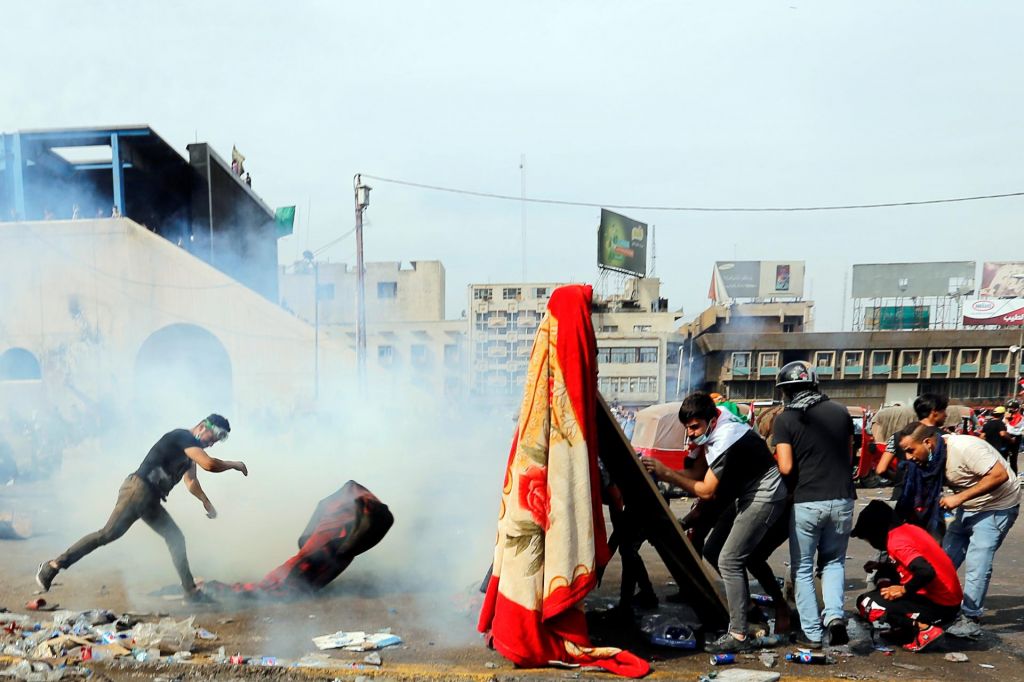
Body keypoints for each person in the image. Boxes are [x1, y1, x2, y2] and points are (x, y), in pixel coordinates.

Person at [35, 415, 247, 601]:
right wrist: (233, 464)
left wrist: (205, 501)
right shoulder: (183, 437)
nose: (212, 444)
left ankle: (191, 592)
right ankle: (52, 566)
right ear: (203, 426)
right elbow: (209, 464)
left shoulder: (191, 451)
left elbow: (191, 481)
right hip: (138, 490)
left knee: (175, 538)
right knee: (106, 534)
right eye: (214, 437)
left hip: (150, 499)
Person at [643, 392, 786, 653]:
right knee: (713, 550)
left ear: (711, 420)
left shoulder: (726, 436)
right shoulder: (714, 425)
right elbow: (697, 473)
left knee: (730, 559)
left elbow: (706, 490)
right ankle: (748, 609)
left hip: (765, 492)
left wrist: (666, 473)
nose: (691, 432)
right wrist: (662, 469)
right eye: (687, 427)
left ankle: (739, 634)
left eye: (695, 426)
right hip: (744, 493)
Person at [899, 423, 1021, 638]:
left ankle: (970, 617)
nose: (908, 457)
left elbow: (999, 475)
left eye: (911, 450)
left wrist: (959, 497)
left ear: (928, 442)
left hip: (996, 507)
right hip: (967, 507)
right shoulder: (932, 461)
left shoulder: (965, 448)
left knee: (978, 562)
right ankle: (936, 604)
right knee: (943, 559)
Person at [771, 361, 856, 648]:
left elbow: (785, 466)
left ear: (787, 391)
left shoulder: (785, 419)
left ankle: (812, 634)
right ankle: (834, 616)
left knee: (803, 568)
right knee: (833, 563)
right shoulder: (841, 412)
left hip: (807, 500)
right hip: (843, 498)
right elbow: (850, 454)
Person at [850, 501, 963, 652]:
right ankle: (906, 629)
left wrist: (903, 589)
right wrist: (882, 566)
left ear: (875, 530)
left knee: (867, 603)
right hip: (949, 601)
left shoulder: (896, 542)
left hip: (940, 606)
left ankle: (925, 629)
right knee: (884, 577)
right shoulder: (909, 530)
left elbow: (926, 571)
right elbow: (911, 566)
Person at [1003, 400, 1022, 474]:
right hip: (1006, 439)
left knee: (1013, 460)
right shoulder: (1007, 416)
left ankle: (1014, 477)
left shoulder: (1019, 417)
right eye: (1008, 408)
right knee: (1003, 459)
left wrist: (1007, 421)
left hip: (1014, 439)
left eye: (1011, 408)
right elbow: (1002, 426)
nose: (1009, 409)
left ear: (1016, 409)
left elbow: (1011, 430)